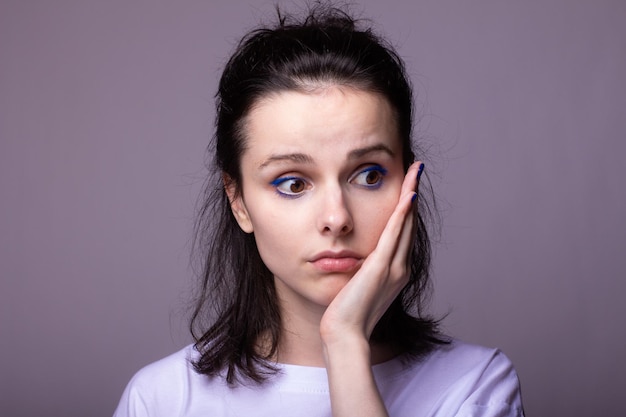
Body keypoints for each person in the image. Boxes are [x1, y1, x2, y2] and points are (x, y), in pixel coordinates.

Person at [113, 5, 524, 417]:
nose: (337, 218)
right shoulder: (161, 399)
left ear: (408, 181)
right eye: (293, 183)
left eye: (368, 176)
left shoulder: (475, 387)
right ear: (238, 201)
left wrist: (345, 344)